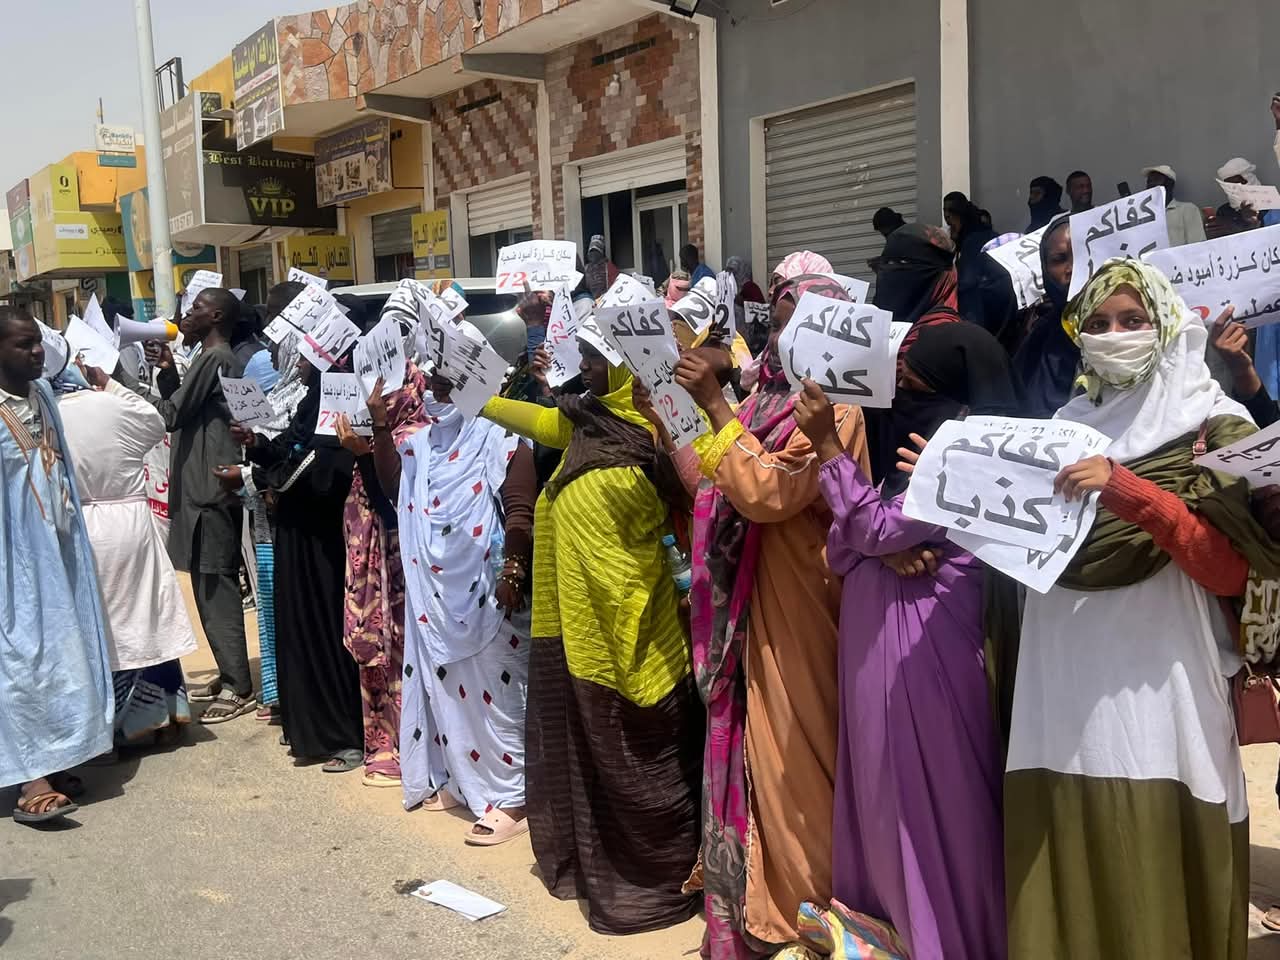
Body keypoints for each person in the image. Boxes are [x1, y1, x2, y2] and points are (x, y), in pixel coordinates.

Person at [1003, 259, 1280, 959]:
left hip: (1166, 682)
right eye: (1097, 323)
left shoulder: (1215, 425)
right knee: (1073, 843)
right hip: (1063, 684)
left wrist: (1129, 491)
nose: (1115, 335)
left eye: (1132, 320)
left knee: (1157, 849)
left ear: (1166, 324)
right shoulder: (1062, 430)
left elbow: (1230, 570)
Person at [794, 321, 1016, 960]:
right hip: (874, 654)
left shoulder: (975, 464)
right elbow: (845, 544)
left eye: (920, 388)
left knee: (938, 799)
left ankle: (951, 940)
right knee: (879, 787)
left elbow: (866, 527)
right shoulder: (906, 466)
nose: (908, 401)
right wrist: (878, 544)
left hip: (932, 654)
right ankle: (890, 930)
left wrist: (829, 451)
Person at [675, 270, 870, 957]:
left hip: (802, 600)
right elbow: (716, 473)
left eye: (803, 318)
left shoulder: (837, 408)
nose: (788, 330)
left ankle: (804, 921)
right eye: (782, 318)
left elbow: (769, 490)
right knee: (755, 751)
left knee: (795, 759)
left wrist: (715, 407)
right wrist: (681, 415)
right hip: (752, 597)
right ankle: (758, 908)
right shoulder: (764, 396)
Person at [478, 340, 702, 932]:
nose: (585, 368)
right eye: (582, 355)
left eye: (596, 358)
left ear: (626, 364)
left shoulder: (664, 421)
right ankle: (600, 867)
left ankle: (661, 877)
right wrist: (480, 397)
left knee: (645, 751)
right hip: (579, 630)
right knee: (591, 749)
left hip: (639, 626)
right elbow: (541, 421)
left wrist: (668, 427)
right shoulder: (586, 418)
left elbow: (699, 490)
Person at [374, 368, 537, 843]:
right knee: (450, 694)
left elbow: (520, 507)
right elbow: (395, 488)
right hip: (438, 601)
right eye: (432, 383)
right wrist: (380, 424)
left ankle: (515, 796)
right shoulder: (421, 445)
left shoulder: (499, 435)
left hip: (489, 593)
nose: (437, 392)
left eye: (449, 383)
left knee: (500, 697)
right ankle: (467, 783)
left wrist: (513, 572)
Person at [0, 307, 113, 825]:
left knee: (65, 652)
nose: (36, 353)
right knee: (19, 661)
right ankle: (31, 779)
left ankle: (58, 754)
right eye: (23, 345)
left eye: (37, 343)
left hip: (60, 553)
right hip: (13, 564)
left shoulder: (43, 394)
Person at [229, 347, 363, 773]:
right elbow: (291, 451)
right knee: (300, 625)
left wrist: (258, 476)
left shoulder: (342, 405)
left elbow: (322, 471)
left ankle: (343, 733)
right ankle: (310, 727)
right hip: (297, 535)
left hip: (325, 541)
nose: (298, 365)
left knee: (326, 629)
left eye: (306, 358)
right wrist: (257, 446)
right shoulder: (310, 405)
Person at [60, 363, 198, 746]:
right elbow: (155, 423)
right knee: (149, 616)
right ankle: (166, 715)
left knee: (105, 625)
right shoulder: (113, 405)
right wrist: (111, 386)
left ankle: (116, 727)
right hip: (133, 522)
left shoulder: (51, 415)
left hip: (86, 524)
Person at [147, 288, 255, 723]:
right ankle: (231, 671)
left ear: (216, 316)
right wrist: (169, 372)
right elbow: (187, 411)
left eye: (195, 309)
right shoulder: (210, 359)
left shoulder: (215, 358)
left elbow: (171, 415)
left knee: (216, 588)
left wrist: (115, 387)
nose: (187, 315)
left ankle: (237, 685)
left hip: (209, 492)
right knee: (208, 585)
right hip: (201, 489)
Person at [333, 356, 425, 786]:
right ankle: (382, 744)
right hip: (372, 573)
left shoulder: (415, 438)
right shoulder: (375, 436)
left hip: (401, 569)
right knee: (376, 654)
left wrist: (367, 454)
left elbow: (393, 504)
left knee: (402, 652)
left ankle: (410, 747)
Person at [867, 224, 963, 484]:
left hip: (912, 481)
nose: (891, 275)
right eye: (886, 265)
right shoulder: (877, 327)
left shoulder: (946, 337)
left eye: (903, 266)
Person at [1011, 214, 1080, 417]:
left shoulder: (1131, 332)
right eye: (1059, 260)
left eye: (1081, 255)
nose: (1072, 268)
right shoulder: (1041, 334)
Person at [943, 191, 997, 326]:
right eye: (945, 210)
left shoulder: (974, 239)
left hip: (976, 309)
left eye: (951, 211)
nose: (947, 215)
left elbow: (967, 280)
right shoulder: (962, 238)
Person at [1143, 164, 1207, 246]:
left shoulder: (1187, 209)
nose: (1151, 184)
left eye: (1156, 180)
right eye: (1149, 181)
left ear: (1170, 184)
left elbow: (1197, 244)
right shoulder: (1144, 216)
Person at [583, 234, 619, 300]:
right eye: (591, 251)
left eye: (596, 251)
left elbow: (614, 289)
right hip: (589, 302)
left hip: (605, 301)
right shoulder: (586, 268)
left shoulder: (609, 268)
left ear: (601, 252)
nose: (593, 253)